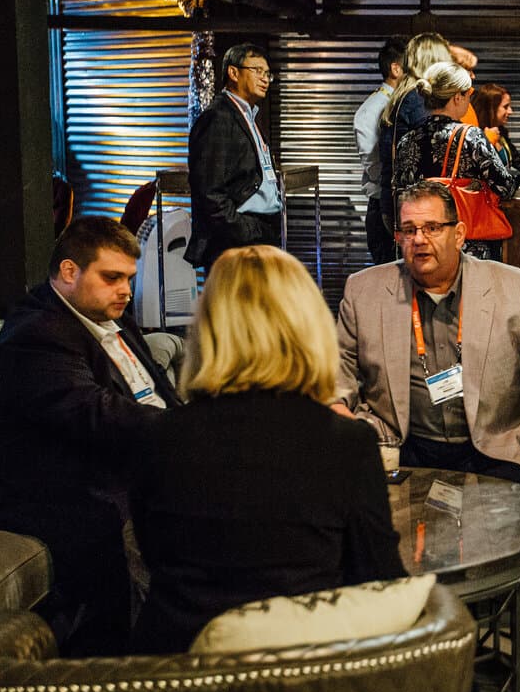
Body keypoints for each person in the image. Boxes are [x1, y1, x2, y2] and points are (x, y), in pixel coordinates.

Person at [130, 245, 405, 655]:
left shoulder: (157, 437)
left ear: (206, 329)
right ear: (307, 326)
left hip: (173, 687)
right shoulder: (347, 445)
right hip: (304, 685)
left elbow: (153, 558)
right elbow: (380, 584)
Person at [0, 217, 179, 655]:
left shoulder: (109, 317)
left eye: (129, 279)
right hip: (44, 494)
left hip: (114, 466)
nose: (126, 291)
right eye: (112, 277)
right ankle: (135, 663)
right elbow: (96, 414)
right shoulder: (37, 335)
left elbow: (159, 395)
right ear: (69, 272)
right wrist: (190, 435)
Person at [334, 180, 520, 490]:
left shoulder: (514, 287)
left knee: (513, 527)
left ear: (458, 235)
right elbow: (338, 363)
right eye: (409, 230)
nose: (419, 239)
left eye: (432, 228)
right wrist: (336, 406)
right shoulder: (365, 290)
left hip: (489, 449)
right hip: (402, 446)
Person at [393, 61, 520, 262]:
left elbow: (400, 194)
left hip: (419, 246)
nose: (470, 100)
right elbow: (506, 187)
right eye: (469, 93)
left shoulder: (406, 141)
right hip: (465, 247)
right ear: (457, 97)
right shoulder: (471, 137)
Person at [185, 42, 281, 270]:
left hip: (259, 232)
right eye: (257, 70)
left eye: (268, 73)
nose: (265, 78)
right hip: (235, 240)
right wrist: (241, 229)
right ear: (233, 72)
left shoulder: (249, 115)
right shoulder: (218, 117)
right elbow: (208, 190)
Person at [376, 32, 457, 243]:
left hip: (395, 204)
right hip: (413, 210)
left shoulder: (403, 94)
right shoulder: (419, 101)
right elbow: (432, 157)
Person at [354, 34, 408, 264]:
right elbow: (374, 164)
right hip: (383, 209)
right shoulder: (372, 109)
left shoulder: (405, 103)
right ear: (396, 69)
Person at [471, 82, 520, 171]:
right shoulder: (475, 135)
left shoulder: (501, 132)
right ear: (491, 108)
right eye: (505, 107)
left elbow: (518, 161)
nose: (510, 111)